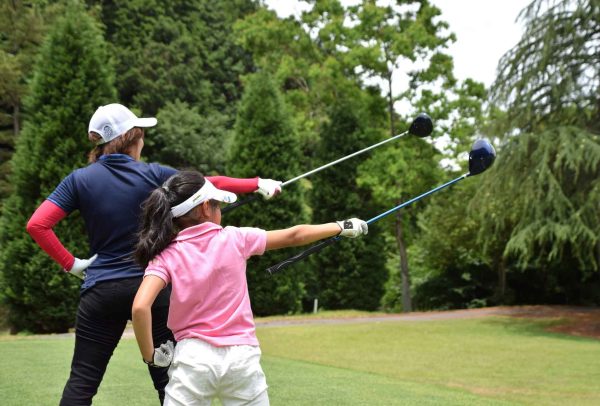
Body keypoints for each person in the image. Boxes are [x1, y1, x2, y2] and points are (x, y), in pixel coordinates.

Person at [25, 103, 283, 406]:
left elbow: (37, 225)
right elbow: (210, 184)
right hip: (153, 286)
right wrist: (257, 184)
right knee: (169, 383)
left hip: (102, 290)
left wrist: (73, 264)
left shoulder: (79, 179)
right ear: (133, 138)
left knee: (82, 382)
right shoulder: (154, 174)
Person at [131, 170, 368, 406]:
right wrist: (341, 226)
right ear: (205, 208)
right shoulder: (237, 237)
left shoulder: (166, 255)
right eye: (217, 205)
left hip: (193, 359)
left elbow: (141, 307)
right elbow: (295, 235)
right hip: (241, 358)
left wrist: (150, 357)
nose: (220, 210)